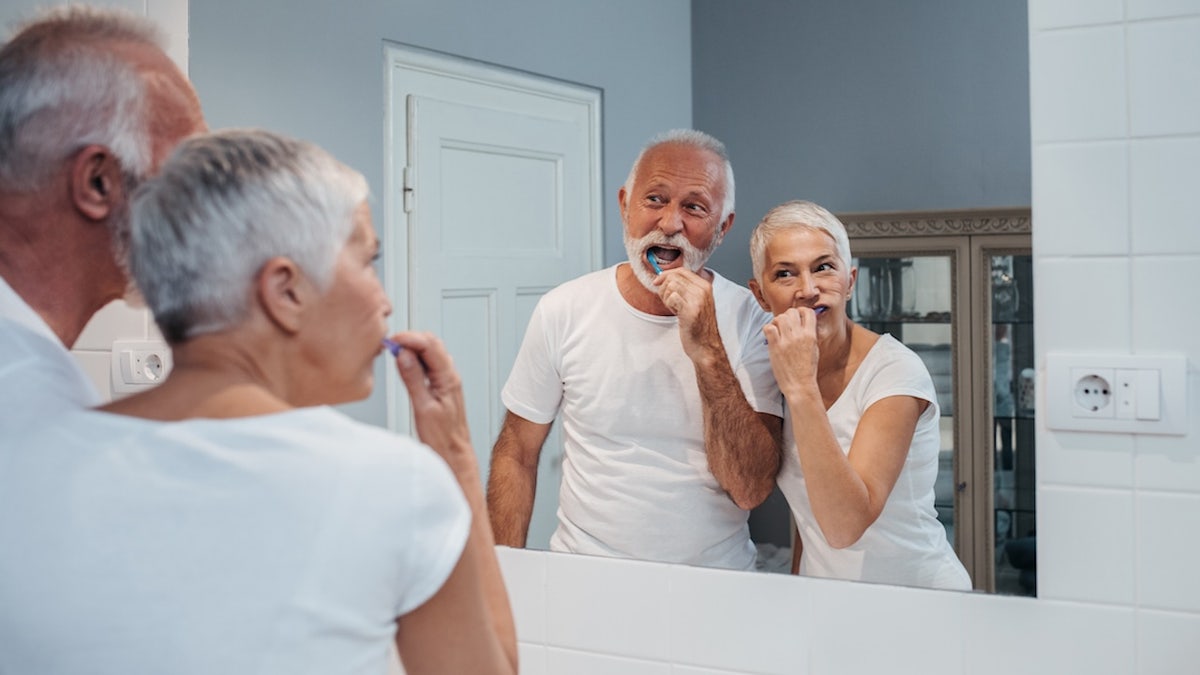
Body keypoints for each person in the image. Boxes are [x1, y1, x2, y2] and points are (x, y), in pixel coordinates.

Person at [0, 129, 518, 675]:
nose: (384, 300)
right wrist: (455, 453)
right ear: (285, 291)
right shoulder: (393, 484)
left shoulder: (22, 465)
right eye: (368, 261)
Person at [487, 129, 783, 570]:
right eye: (655, 200)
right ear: (625, 205)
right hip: (585, 574)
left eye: (694, 207)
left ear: (723, 227)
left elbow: (749, 489)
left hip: (715, 584)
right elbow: (516, 451)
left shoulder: (751, 320)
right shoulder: (563, 310)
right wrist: (503, 579)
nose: (669, 224)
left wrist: (708, 348)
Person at [0, 6, 205, 433]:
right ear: (98, 182)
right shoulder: (24, 401)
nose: (203, 206)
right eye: (186, 173)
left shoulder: (36, 376)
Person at [747, 200, 971, 590]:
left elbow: (844, 525)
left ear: (850, 281)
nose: (808, 289)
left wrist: (800, 388)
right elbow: (810, 518)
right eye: (785, 274)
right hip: (830, 603)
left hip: (919, 600)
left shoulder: (893, 371)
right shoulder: (774, 370)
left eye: (824, 267)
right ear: (761, 296)